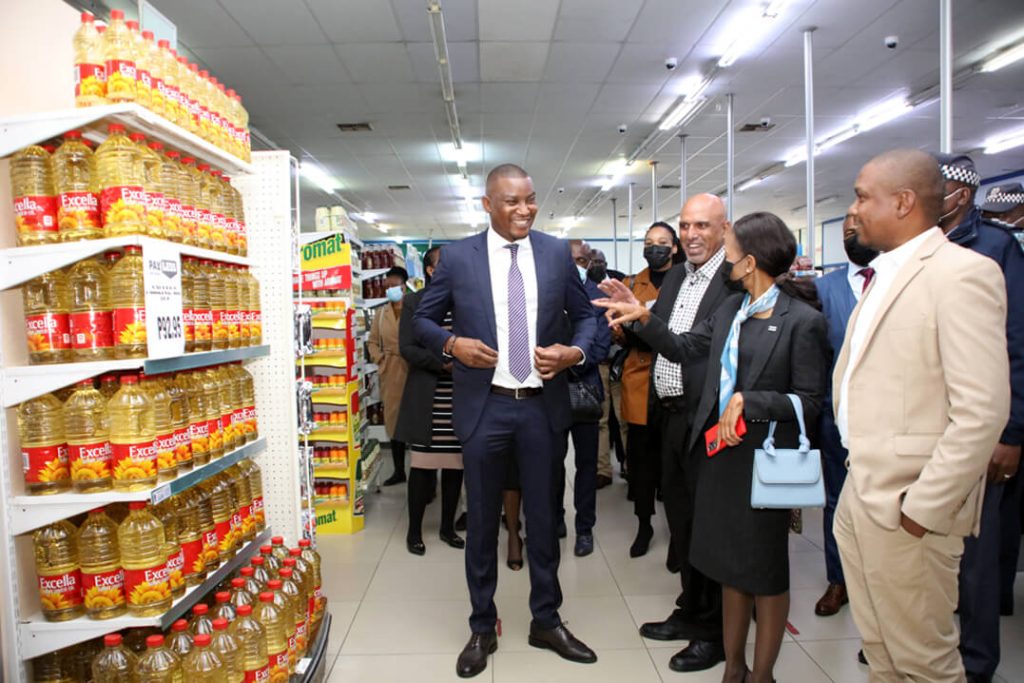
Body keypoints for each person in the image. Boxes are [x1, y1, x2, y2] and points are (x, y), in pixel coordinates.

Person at [596, 211, 829, 683]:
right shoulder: (732, 309)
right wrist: (643, 316)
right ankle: (734, 666)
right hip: (719, 453)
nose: (726, 253)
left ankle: (762, 674)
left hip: (763, 458)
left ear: (750, 259)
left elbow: (811, 401)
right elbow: (684, 347)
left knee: (763, 568)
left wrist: (750, 400)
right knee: (726, 564)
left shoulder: (801, 320)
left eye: (731, 245)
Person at [413, 163, 598, 678]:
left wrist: (574, 352)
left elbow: (586, 316)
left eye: (531, 200)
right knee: (481, 525)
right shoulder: (457, 258)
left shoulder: (558, 253)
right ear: (488, 205)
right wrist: (452, 344)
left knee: (543, 519)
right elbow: (421, 321)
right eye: (512, 202)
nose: (524, 210)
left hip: (541, 404)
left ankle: (547, 619)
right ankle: (480, 624)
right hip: (485, 404)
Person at [833, 149, 1010, 682]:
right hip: (861, 492)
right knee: (882, 650)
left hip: (909, 508)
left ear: (905, 202)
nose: (855, 209)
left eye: (864, 196)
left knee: (924, 662)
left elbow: (982, 411)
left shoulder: (962, 274)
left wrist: (923, 508)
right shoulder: (882, 274)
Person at [933, 153, 1024, 682]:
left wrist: (1010, 433)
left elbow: (1014, 346)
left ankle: (977, 665)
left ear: (961, 194)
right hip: (928, 425)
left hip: (979, 430)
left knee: (977, 559)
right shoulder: (918, 246)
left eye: (935, 188)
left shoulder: (995, 248)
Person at [637, 193, 734, 673]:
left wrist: (644, 320)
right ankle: (689, 610)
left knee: (707, 528)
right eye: (686, 226)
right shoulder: (677, 276)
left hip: (709, 422)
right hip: (672, 417)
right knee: (681, 521)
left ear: (723, 229)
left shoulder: (733, 281)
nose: (692, 235)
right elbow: (660, 339)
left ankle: (713, 632)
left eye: (702, 226)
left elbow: (689, 347)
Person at [811, 213, 878, 618]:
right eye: (845, 226)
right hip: (837, 418)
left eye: (859, 223)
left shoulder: (896, 280)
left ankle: (877, 588)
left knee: (881, 507)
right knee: (837, 501)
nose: (852, 231)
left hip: (888, 421)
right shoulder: (824, 288)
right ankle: (839, 579)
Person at [395, 247, 465, 556]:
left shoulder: (464, 301)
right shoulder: (414, 302)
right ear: (430, 271)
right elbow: (407, 347)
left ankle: (448, 527)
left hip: (459, 396)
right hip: (427, 394)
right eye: (443, 265)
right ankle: (414, 531)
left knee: (454, 467)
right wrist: (442, 363)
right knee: (421, 468)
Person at [618, 222, 679, 558]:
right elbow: (624, 333)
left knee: (672, 462)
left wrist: (643, 324)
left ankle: (676, 534)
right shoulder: (633, 283)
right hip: (640, 377)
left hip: (675, 378)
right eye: (648, 242)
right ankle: (644, 526)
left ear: (673, 247)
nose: (654, 248)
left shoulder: (686, 279)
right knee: (641, 462)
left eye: (662, 242)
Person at [558, 239, 611, 557]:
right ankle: (555, 520)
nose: (577, 265)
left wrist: (569, 359)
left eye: (582, 260)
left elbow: (601, 347)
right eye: (571, 260)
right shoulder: (548, 296)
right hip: (549, 392)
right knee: (551, 464)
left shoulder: (600, 298)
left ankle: (585, 528)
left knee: (587, 464)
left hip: (585, 390)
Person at [368, 266, 410, 486]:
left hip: (413, 369)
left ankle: (426, 476)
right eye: (388, 286)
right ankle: (399, 470)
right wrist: (380, 359)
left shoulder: (415, 308)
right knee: (394, 422)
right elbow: (372, 341)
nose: (391, 289)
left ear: (404, 285)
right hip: (391, 369)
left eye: (395, 285)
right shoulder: (381, 313)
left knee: (417, 420)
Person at [588, 248, 625, 490]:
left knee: (625, 418)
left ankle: (630, 466)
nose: (597, 265)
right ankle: (603, 469)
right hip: (599, 365)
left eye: (601, 261)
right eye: (593, 261)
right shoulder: (583, 291)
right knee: (601, 420)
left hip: (622, 363)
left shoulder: (619, 284)